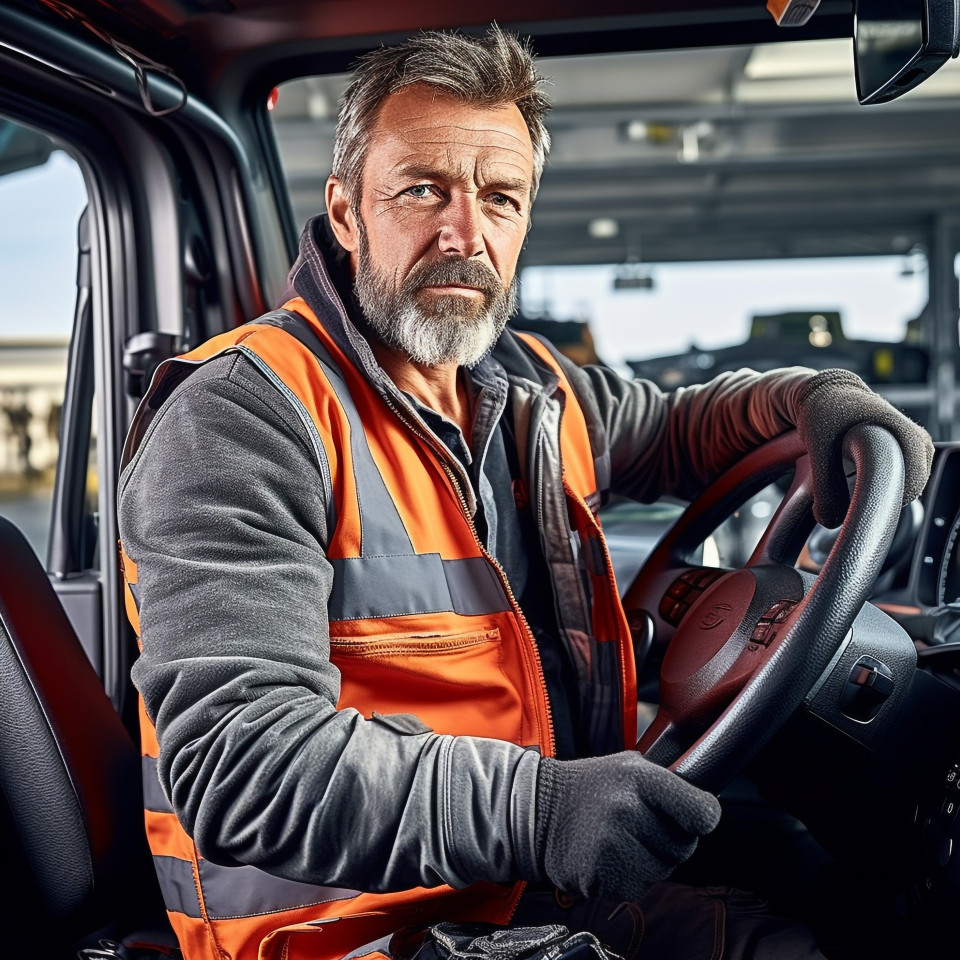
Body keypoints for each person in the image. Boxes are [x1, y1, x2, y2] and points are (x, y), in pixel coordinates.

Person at [117, 25, 933, 960]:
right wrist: (540, 808)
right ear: (346, 214)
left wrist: (812, 401)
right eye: (424, 189)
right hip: (353, 932)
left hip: (522, 881)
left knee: (828, 882)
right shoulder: (242, 415)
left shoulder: (528, 388)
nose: (466, 234)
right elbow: (242, 767)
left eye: (500, 198)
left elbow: (679, 431)